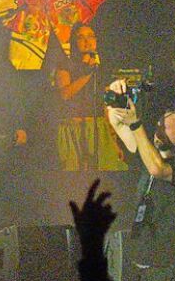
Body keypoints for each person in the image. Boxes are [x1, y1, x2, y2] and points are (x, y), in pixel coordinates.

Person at [106, 83, 175, 281]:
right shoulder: (150, 156)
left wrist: (137, 124)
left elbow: (158, 169)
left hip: (174, 270)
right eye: (158, 124)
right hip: (148, 269)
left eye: (165, 126)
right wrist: (115, 103)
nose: (157, 129)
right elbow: (124, 131)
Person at [53, 24, 127, 173]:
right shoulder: (66, 66)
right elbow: (64, 94)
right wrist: (86, 74)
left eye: (91, 36)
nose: (87, 41)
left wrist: (113, 140)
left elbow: (107, 105)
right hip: (73, 129)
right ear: (73, 42)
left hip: (98, 128)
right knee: (75, 177)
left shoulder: (100, 68)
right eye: (81, 37)